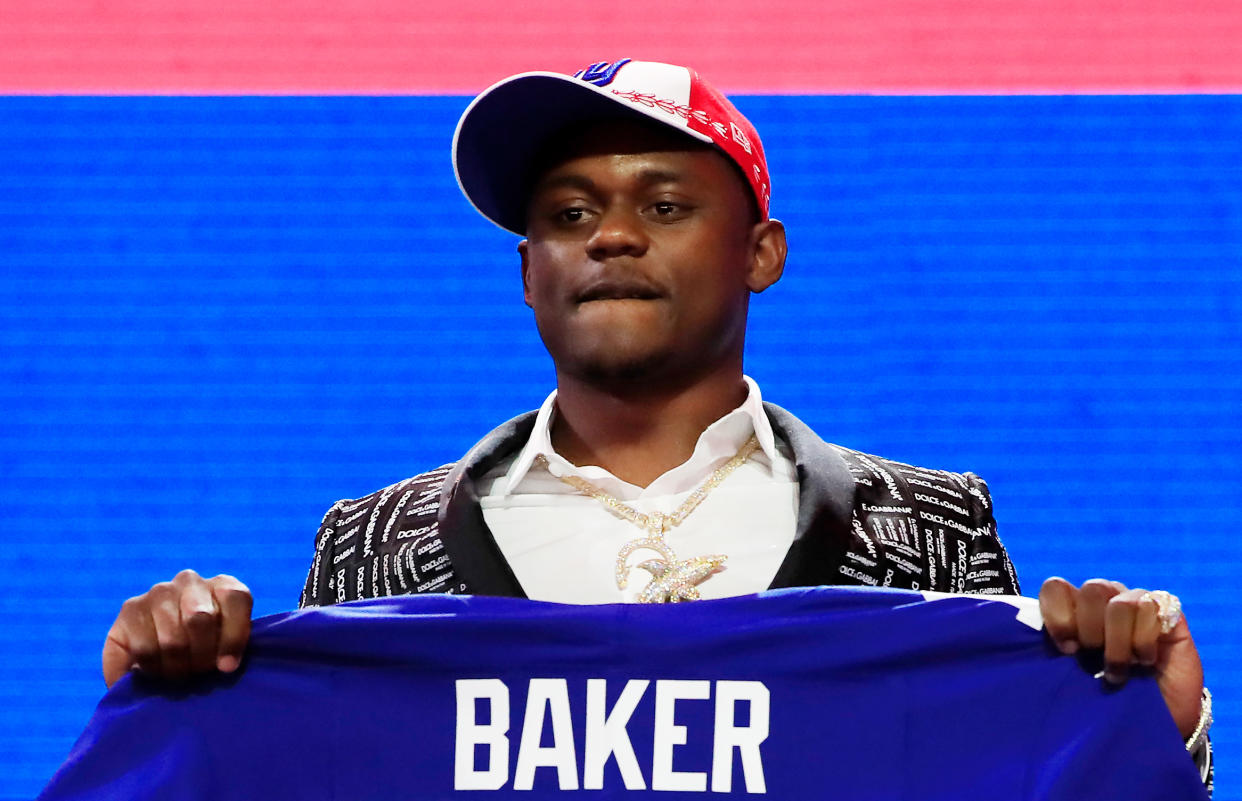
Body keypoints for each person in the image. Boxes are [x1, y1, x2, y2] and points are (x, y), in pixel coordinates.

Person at [100, 59, 1211, 782]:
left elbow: (1006, 773)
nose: (612, 237)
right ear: (527, 275)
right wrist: (173, 713)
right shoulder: (373, 542)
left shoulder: (932, 523)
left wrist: (1154, 730)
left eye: (665, 205)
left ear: (761, 255)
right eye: (568, 214)